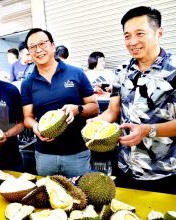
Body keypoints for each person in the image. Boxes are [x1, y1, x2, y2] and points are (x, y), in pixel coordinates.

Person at [91, 6, 176, 194]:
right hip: (124, 166)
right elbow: (113, 111)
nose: (132, 41)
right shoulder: (121, 72)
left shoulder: (173, 70)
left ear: (159, 33)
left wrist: (148, 130)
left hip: (163, 172)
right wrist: (92, 124)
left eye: (140, 33)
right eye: (127, 35)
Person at [21, 28, 99, 178]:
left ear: (52, 46)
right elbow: (27, 117)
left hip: (77, 152)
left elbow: (94, 107)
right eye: (32, 47)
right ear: (29, 53)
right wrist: (36, 127)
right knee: (48, 195)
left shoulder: (76, 73)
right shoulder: (27, 83)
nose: (38, 50)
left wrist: (78, 109)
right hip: (45, 155)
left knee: (80, 196)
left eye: (43, 44)